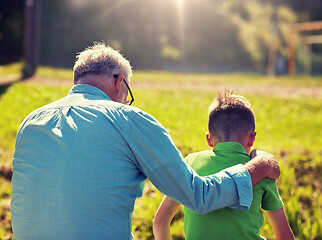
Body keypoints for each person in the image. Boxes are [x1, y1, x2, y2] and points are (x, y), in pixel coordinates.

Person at [11, 42, 280, 240]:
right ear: (119, 82)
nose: (127, 99)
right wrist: (260, 166)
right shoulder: (127, 119)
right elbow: (199, 196)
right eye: (127, 92)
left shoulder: (30, 122)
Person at [153, 90, 294, 240]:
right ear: (252, 139)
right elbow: (285, 236)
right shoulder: (262, 172)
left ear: (209, 139)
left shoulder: (190, 163)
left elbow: (160, 222)